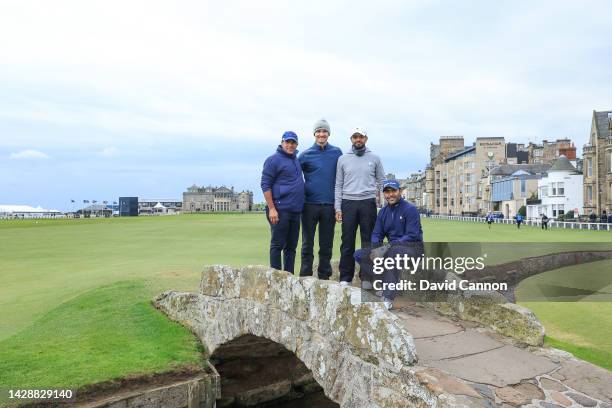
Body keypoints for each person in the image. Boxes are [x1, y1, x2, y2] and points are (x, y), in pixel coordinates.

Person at [353, 180, 423, 310]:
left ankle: (388, 297)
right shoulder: (383, 212)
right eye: (387, 192)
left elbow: (412, 236)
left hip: (413, 250)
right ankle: (384, 283)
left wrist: (387, 247)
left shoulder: (410, 209)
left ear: (400, 192)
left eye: (393, 191)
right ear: (384, 194)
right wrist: (375, 249)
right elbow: (376, 234)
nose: (390, 195)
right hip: (391, 249)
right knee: (359, 254)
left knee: (393, 254)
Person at [335, 128, 385, 286]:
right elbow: (338, 185)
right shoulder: (343, 159)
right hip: (348, 202)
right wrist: (338, 208)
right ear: (351, 139)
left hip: (368, 202)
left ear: (366, 138)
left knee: (368, 242)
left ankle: (367, 278)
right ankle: (345, 277)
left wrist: (384, 205)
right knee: (347, 241)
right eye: (355, 137)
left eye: (361, 137)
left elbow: (382, 182)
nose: (358, 139)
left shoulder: (375, 158)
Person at [298, 119, 343, 279]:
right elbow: (293, 176)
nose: (321, 134)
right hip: (309, 205)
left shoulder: (337, 153)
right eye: (319, 131)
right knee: (307, 243)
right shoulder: (304, 155)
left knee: (326, 244)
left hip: (329, 206)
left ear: (328, 134)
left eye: (324, 131)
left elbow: (342, 176)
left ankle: (324, 276)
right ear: (314, 134)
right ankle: (305, 275)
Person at [260, 131, 305, 273]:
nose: (290, 145)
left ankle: (289, 278)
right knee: (277, 245)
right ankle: (276, 279)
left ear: (296, 144)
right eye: (288, 142)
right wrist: (272, 208)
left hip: (295, 210)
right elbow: (265, 184)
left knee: (291, 247)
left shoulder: (295, 159)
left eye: (293, 142)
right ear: (282, 142)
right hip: (279, 209)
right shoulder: (273, 160)